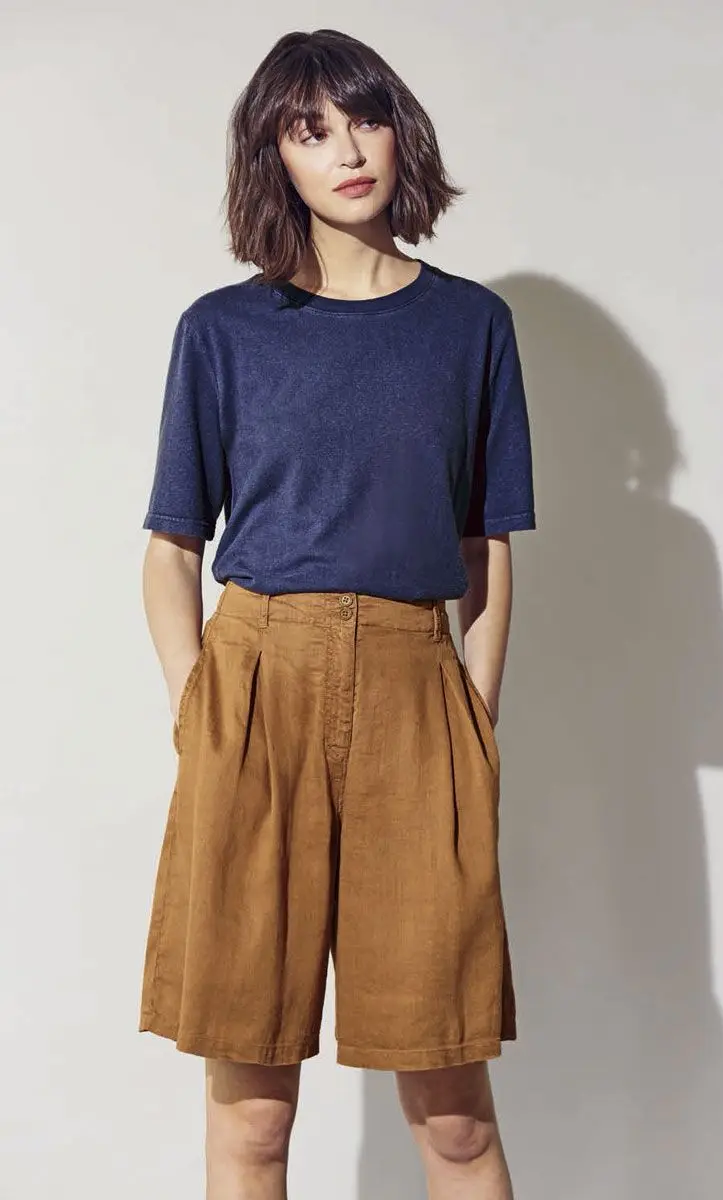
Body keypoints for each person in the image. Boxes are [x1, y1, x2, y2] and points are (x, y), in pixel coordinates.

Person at [137, 27, 536, 1200]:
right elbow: (171, 547)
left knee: (453, 1119)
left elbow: (487, 544)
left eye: (363, 121)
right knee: (254, 1119)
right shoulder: (222, 332)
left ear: (399, 133)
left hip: (419, 694)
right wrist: (200, 706)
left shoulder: (469, 327)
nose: (346, 153)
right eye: (310, 132)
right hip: (255, 686)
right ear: (276, 159)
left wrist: (474, 714)